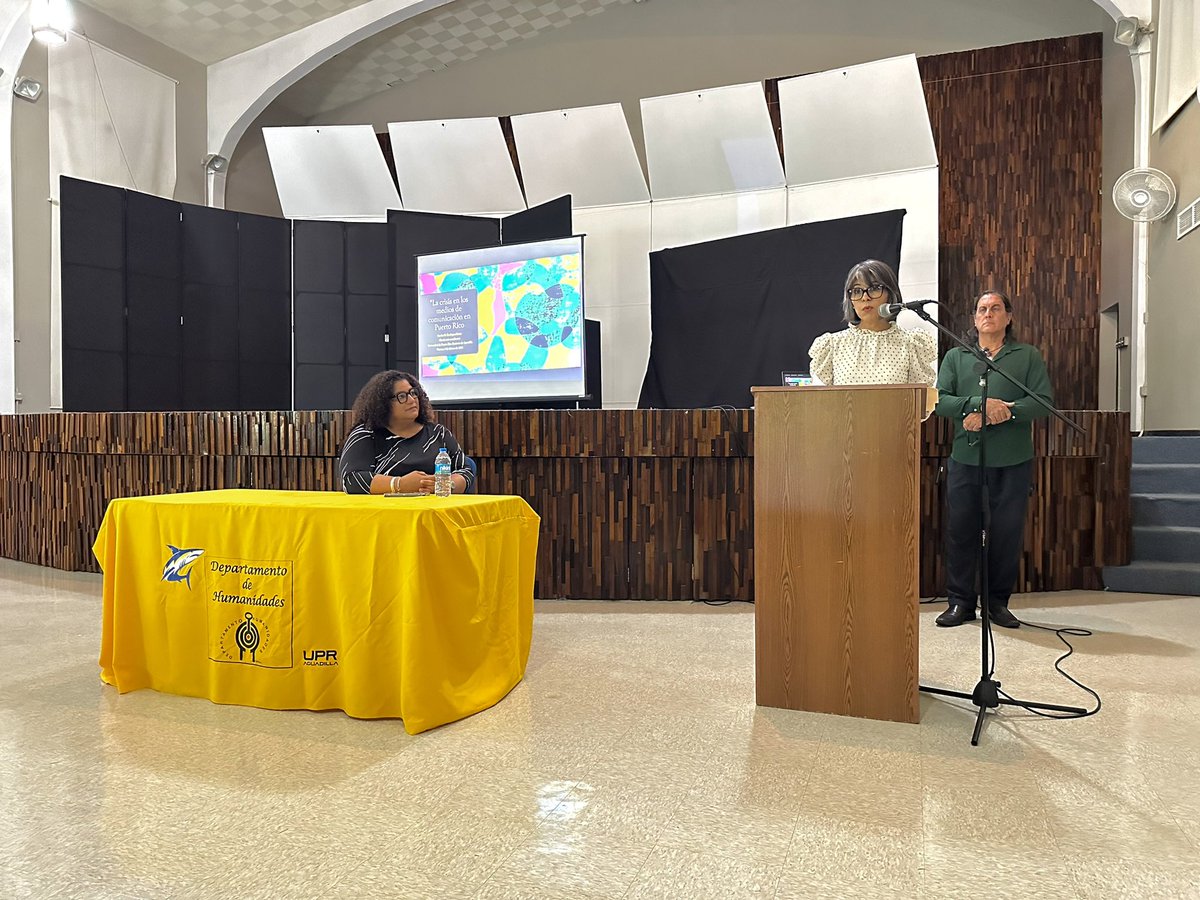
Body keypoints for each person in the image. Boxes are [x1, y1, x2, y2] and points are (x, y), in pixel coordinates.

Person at [933, 291, 1053, 628]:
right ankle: (959, 602)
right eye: (982, 309)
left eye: (995, 308)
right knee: (961, 531)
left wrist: (1001, 413)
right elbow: (939, 401)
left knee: (1006, 533)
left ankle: (997, 603)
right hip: (966, 458)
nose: (988, 314)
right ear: (974, 318)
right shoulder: (957, 356)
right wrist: (976, 404)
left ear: (1008, 316)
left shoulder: (1026, 356)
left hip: (1012, 461)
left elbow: (1042, 402)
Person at [339, 370, 474, 495]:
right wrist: (399, 484)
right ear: (383, 404)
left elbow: (465, 471)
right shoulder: (366, 434)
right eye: (402, 396)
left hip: (434, 512)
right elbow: (351, 480)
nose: (411, 400)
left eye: (413, 393)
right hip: (385, 514)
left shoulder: (438, 434)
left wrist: (445, 485)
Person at [808, 259, 937, 386]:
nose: (865, 297)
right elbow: (820, 400)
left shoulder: (911, 344)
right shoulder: (833, 345)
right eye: (857, 291)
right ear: (851, 302)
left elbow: (919, 399)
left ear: (890, 294)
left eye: (874, 288)